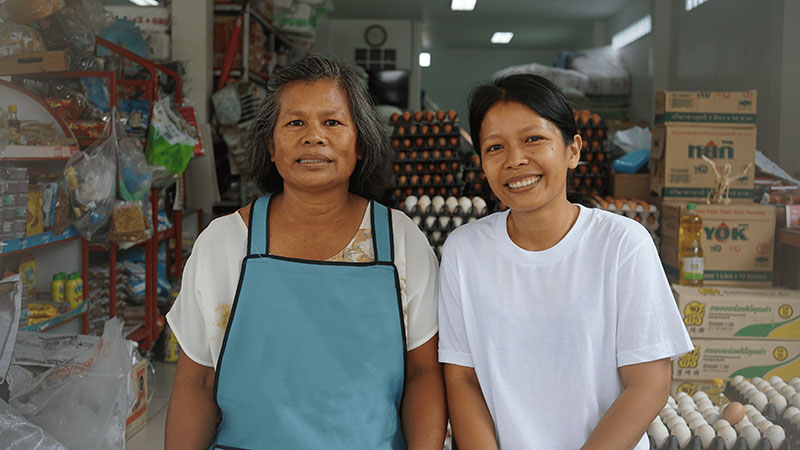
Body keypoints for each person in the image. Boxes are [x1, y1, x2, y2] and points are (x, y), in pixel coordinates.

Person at [165, 55, 446, 449]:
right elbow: (197, 380)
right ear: (271, 147)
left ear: (361, 143)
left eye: (332, 122)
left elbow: (422, 373)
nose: (313, 136)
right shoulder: (225, 243)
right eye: (295, 122)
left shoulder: (401, 241)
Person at [437, 74, 693, 450]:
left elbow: (648, 384)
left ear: (573, 150)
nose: (515, 160)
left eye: (533, 139)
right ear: (481, 162)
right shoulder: (464, 251)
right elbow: (462, 379)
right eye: (495, 147)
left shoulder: (622, 243)